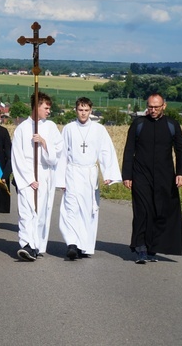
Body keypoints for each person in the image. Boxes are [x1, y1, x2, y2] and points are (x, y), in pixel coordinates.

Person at [122, 93, 182, 264]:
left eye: (156, 107)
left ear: (164, 106)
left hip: (165, 176)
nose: (152, 110)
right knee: (142, 211)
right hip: (140, 175)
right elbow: (129, 150)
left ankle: (153, 247)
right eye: (150, 106)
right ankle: (141, 248)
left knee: (161, 211)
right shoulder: (139, 124)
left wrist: (181, 173)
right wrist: (127, 175)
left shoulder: (172, 125)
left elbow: (181, 150)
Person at [56, 97, 122, 260]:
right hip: (72, 172)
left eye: (86, 110)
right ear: (75, 110)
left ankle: (83, 246)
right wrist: (61, 179)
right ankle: (72, 244)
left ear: (91, 111)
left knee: (88, 211)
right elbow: (63, 154)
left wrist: (109, 174)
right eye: (80, 109)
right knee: (70, 209)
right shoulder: (69, 128)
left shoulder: (99, 129)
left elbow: (106, 151)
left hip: (90, 175)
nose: (83, 113)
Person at [11, 92, 64, 261]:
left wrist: (43, 142)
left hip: (44, 173)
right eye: (46, 108)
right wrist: (28, 179)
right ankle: (26, 244)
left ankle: (36, 245)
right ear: (36, 106)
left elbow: (56, 154)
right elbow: (17, 156)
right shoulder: (22, 129)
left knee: (40, 212)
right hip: (26, 175)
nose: (49, 111)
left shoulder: (51, 127)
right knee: (26, 211)